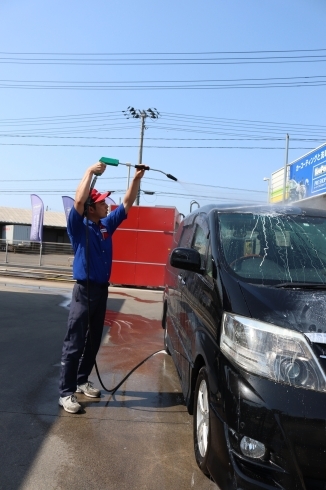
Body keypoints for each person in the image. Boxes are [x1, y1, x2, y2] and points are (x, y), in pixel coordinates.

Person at [59, 161, 146, 413]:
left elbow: (127, 203)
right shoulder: (78, 226)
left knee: (94, 340)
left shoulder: (105, 226)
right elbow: (77, 202)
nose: (108, 204)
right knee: (75, 342)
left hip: (101, 290)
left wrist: (136, 179)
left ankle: (81, 380)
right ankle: (65, 393)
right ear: (90, 208)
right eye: (102, 202)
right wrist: (88, 172)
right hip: (84, 292)